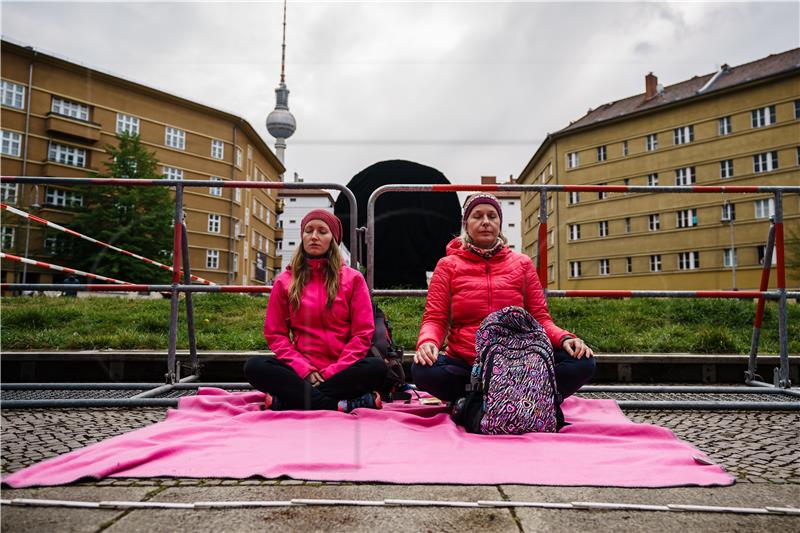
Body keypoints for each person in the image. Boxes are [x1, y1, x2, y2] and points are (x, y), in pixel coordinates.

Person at [413, 193, 595, 403]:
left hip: (519, 361)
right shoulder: (447, 265)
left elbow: (540, 318)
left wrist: (566, 338)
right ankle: (522, 395)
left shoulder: (522, 264)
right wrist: (428, 343)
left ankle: (480, 398)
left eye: (492, 216)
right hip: (468, 363)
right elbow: (435, 319)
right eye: (477, 216)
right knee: (422, 370)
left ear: (500, 223)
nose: (485, 222)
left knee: (583, 362)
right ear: (466, 224)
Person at [244, 209, 387, 412]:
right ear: (302, 236)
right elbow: (276, 335)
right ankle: (340, 404)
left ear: (333, 239)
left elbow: (362, 335)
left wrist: (331, 372)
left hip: (342, 370)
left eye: (322, 231)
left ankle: (289, 401)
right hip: (299, 370)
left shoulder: (353, 279)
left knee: (376, 369)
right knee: (254, 367)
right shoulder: (285, 281)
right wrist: (305, 370)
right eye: (308, 230)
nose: (314, 236)